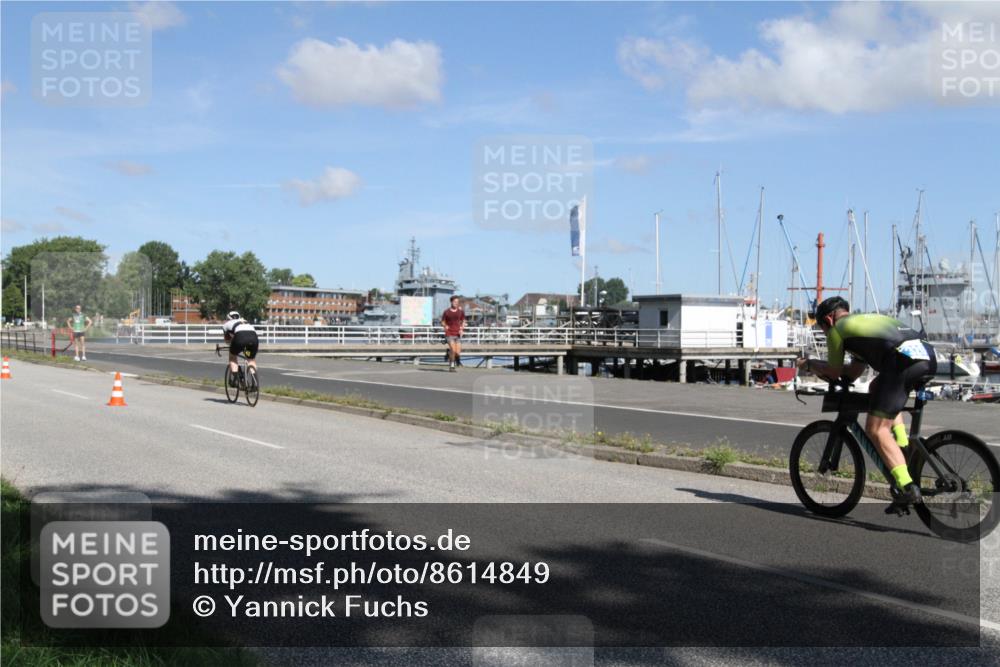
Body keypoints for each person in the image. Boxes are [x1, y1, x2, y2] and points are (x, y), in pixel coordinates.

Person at [797, 296, 937, 513]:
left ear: (828, 319)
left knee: (875, 429)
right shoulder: (860, 326)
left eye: (823, 330)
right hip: (927, 356)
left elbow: (834, 372)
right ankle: (902, 446)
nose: (826, 334)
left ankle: (907, 487)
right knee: (876, 389)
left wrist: (810, 364)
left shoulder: (837, 330)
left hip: (902, 362)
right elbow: (853, 372)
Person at [221, 310, 259, 385]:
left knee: (232, 357)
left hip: (240, 339)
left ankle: (235, 380)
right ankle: (255, 383)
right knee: (250, 359)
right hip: (254, 338)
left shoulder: (226, 324)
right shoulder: (245, 321)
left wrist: (232, 345)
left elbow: (227, 340)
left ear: (228, 318)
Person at [441, 296, 465, 372]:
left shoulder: (460, 312)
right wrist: (445, 326)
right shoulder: (446, 312)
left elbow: (463, 321)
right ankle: (452, 367)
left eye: (457, 302)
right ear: (451, 302)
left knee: (457, 353)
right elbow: (442, 321)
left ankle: (448, 353)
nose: (456, 303)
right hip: (449, 333)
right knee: (453, 350)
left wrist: (462, 329)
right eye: (455, 302)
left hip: (457, 333)